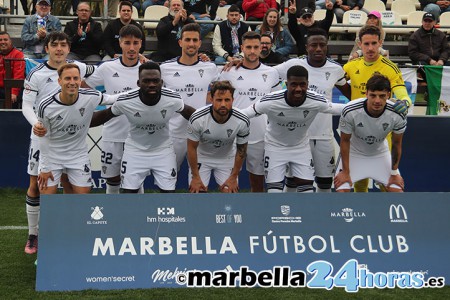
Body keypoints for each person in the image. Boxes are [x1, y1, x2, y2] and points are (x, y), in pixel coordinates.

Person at [22, 32, 95, 255]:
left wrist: (140, 58)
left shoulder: (77, 68)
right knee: (37, 186)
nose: (59, 49)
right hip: (43, 138)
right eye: (55, 45)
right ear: (47, 49)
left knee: (71, 185)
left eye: (64, 45)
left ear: (68, 48)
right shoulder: (36, 74)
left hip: (71, 142)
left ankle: (69, 233)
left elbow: (103, 69)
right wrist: (36, 124)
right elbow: (26, 105)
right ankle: (34, 234)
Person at [90, 62, 196, 193]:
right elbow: (104, 115)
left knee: (168, 194)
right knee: (129, 194)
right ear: (138, 83)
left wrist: (207, 125)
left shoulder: (173, 98)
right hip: (135, 151)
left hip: (163, 150)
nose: (151, 84)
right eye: (146, 81)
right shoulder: (126, 100)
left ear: (161, 82)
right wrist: (80, 122)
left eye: (155, 81)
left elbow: (192, 114)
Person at [242, 65, 344, 193]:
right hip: (275, 147)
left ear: (308, 84)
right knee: (274, 192)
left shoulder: (316, 100)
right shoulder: (270, 101)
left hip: (301, 148)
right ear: (286, 84)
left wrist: (367, 104)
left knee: (306, 192)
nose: (298, 89)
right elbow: (244, 113)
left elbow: (340, 108)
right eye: (294, 84)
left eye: (302, 84)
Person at [274, 28, 351, 192]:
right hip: (297, 135)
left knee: (324, 182)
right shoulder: (294, 65)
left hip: (324, 136)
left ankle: (320, 216)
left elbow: (351, 93)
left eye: (322, 45)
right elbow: (265, 74)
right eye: (313, 45)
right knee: (293, 182)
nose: (318, 49)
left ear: (327, 46)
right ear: (306, 47)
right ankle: (290, 214)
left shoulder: (335, 69)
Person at [343, 25, 411, 192]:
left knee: (387, 183)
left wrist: (405, 102)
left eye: (374, 43)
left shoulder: (389, 67)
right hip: (358, 132)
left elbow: (401, 91)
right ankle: (362, 216)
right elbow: (332, 79)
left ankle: (388, 216)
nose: (371, 48)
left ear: (380, 42)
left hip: (382, 133)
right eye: (366, 44)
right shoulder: (350, 67)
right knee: (359, 183)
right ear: (359, 44)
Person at [35, 64, 117, 194]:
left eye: (75, 78)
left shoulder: (91, 96)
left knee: (82, 195)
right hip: (52, 156)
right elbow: (43, 137)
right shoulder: (46, 105)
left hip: (78, 155)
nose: (72, 82)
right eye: (67, 78)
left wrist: (140, 93)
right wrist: (45, 168)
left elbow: (113, 98)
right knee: (46, 195)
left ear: (80, 80)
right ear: (59, 81)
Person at [81, 24, 144, 194]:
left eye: (136, 43)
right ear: (120, 43)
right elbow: (84, 87)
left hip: (139, 133)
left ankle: (141, 219)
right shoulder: (107, 67)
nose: (131, 48)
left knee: (135, 178)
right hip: (113, 132)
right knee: (112, 178)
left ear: (141, 44)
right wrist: (95, 103)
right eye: (127, 42)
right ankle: (112, 216)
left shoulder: (148, 69)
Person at [219, 31, 280, 192]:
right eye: (248, 47)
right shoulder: (229, 72)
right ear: (242, 48)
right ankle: (229, 214)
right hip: (232, 134)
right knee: (229, 181)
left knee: (257, 182)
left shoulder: (271, 73)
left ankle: (257, 214)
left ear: (261, 48)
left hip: (260, 135)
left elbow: (276, 104)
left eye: (256, 47)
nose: (252, 51)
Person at [161, 23, 219, 172]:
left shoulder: (211, 68)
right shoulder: (165, 68)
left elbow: (218, 94)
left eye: (195, 40)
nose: (191, 44)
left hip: (200, 134)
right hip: (174, 134)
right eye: (187, 40)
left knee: (198, 180)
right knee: (168, 178)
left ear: (200, 42)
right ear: (180, 42)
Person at [334, 74, 406, 193]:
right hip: (354, 154)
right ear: (366, 93)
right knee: (342, 190)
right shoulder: (350, 110)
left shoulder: (397, 113)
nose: (377, 100)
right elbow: (344, 141)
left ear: (388, 95)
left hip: (380, 154)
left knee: (397, 190)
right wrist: (346, 172)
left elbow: (397, 144)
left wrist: (394, 173)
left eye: (382, 96)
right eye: (373, 95)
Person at [187, 80, 249, 193]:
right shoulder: (197, 118)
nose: (223, 104)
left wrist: (234, 176)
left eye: (227, 100)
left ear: (233, 100)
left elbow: (242, 149)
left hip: (226, 159)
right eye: (219, 100)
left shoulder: (242, 120)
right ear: (211, 99)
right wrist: (195, 177)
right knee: (197, 195)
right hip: (202, 158)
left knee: (230, 195)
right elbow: (191, 148)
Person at [0, 32, 25, 108]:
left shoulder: (18, 54)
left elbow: (19, 75)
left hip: (14, 88)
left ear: (10, 42)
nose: (3, 42)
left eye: (5, 40)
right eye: (0, 40)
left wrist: (14, 92)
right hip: (1, 88)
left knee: (13, 98)